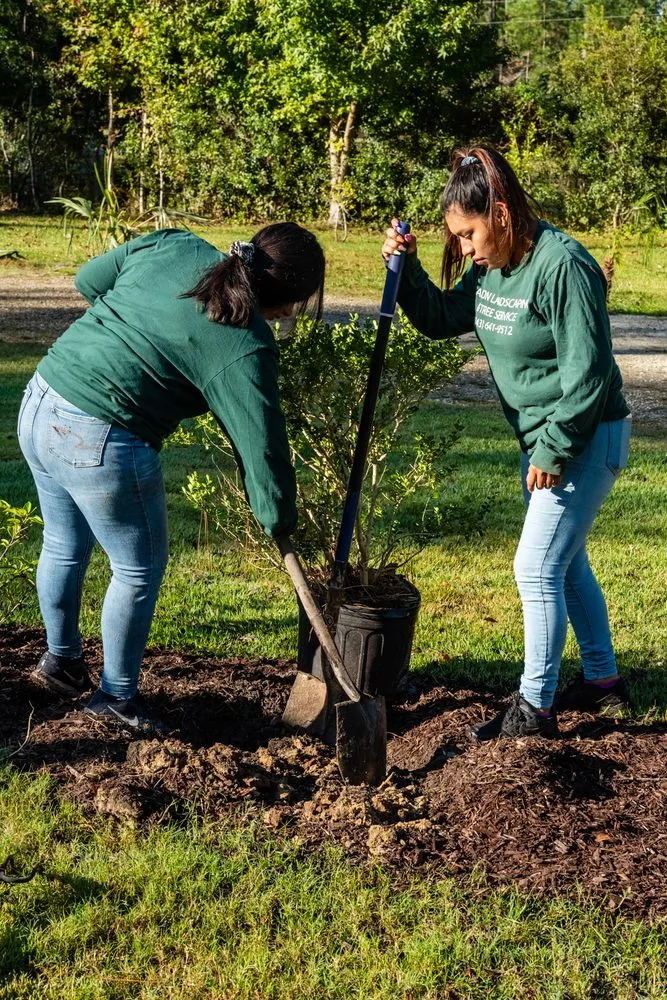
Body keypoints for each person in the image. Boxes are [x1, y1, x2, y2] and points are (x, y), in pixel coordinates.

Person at [18, 222, 325, 735]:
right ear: (289, 301)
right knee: (137, 569)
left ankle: (61, 664)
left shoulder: (174, 243)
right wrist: (279, 517)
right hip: (100, 433)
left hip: (42, 397)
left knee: (63, 543)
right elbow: (263, 446)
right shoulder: (245, 343)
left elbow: (90, 280)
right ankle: (115, 697)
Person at [381, 145, 631, 740]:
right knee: (566, 566)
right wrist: (408, 269)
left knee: (534, 567)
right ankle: (602, 682)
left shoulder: (560, 265)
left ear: (498, 213)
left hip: (584, 435)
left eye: (468, 234)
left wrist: (552, 449)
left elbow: (590, 374)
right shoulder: (492, 266)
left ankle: (534, 710)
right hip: (543, 437)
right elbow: (443, 318)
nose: (464, 248)